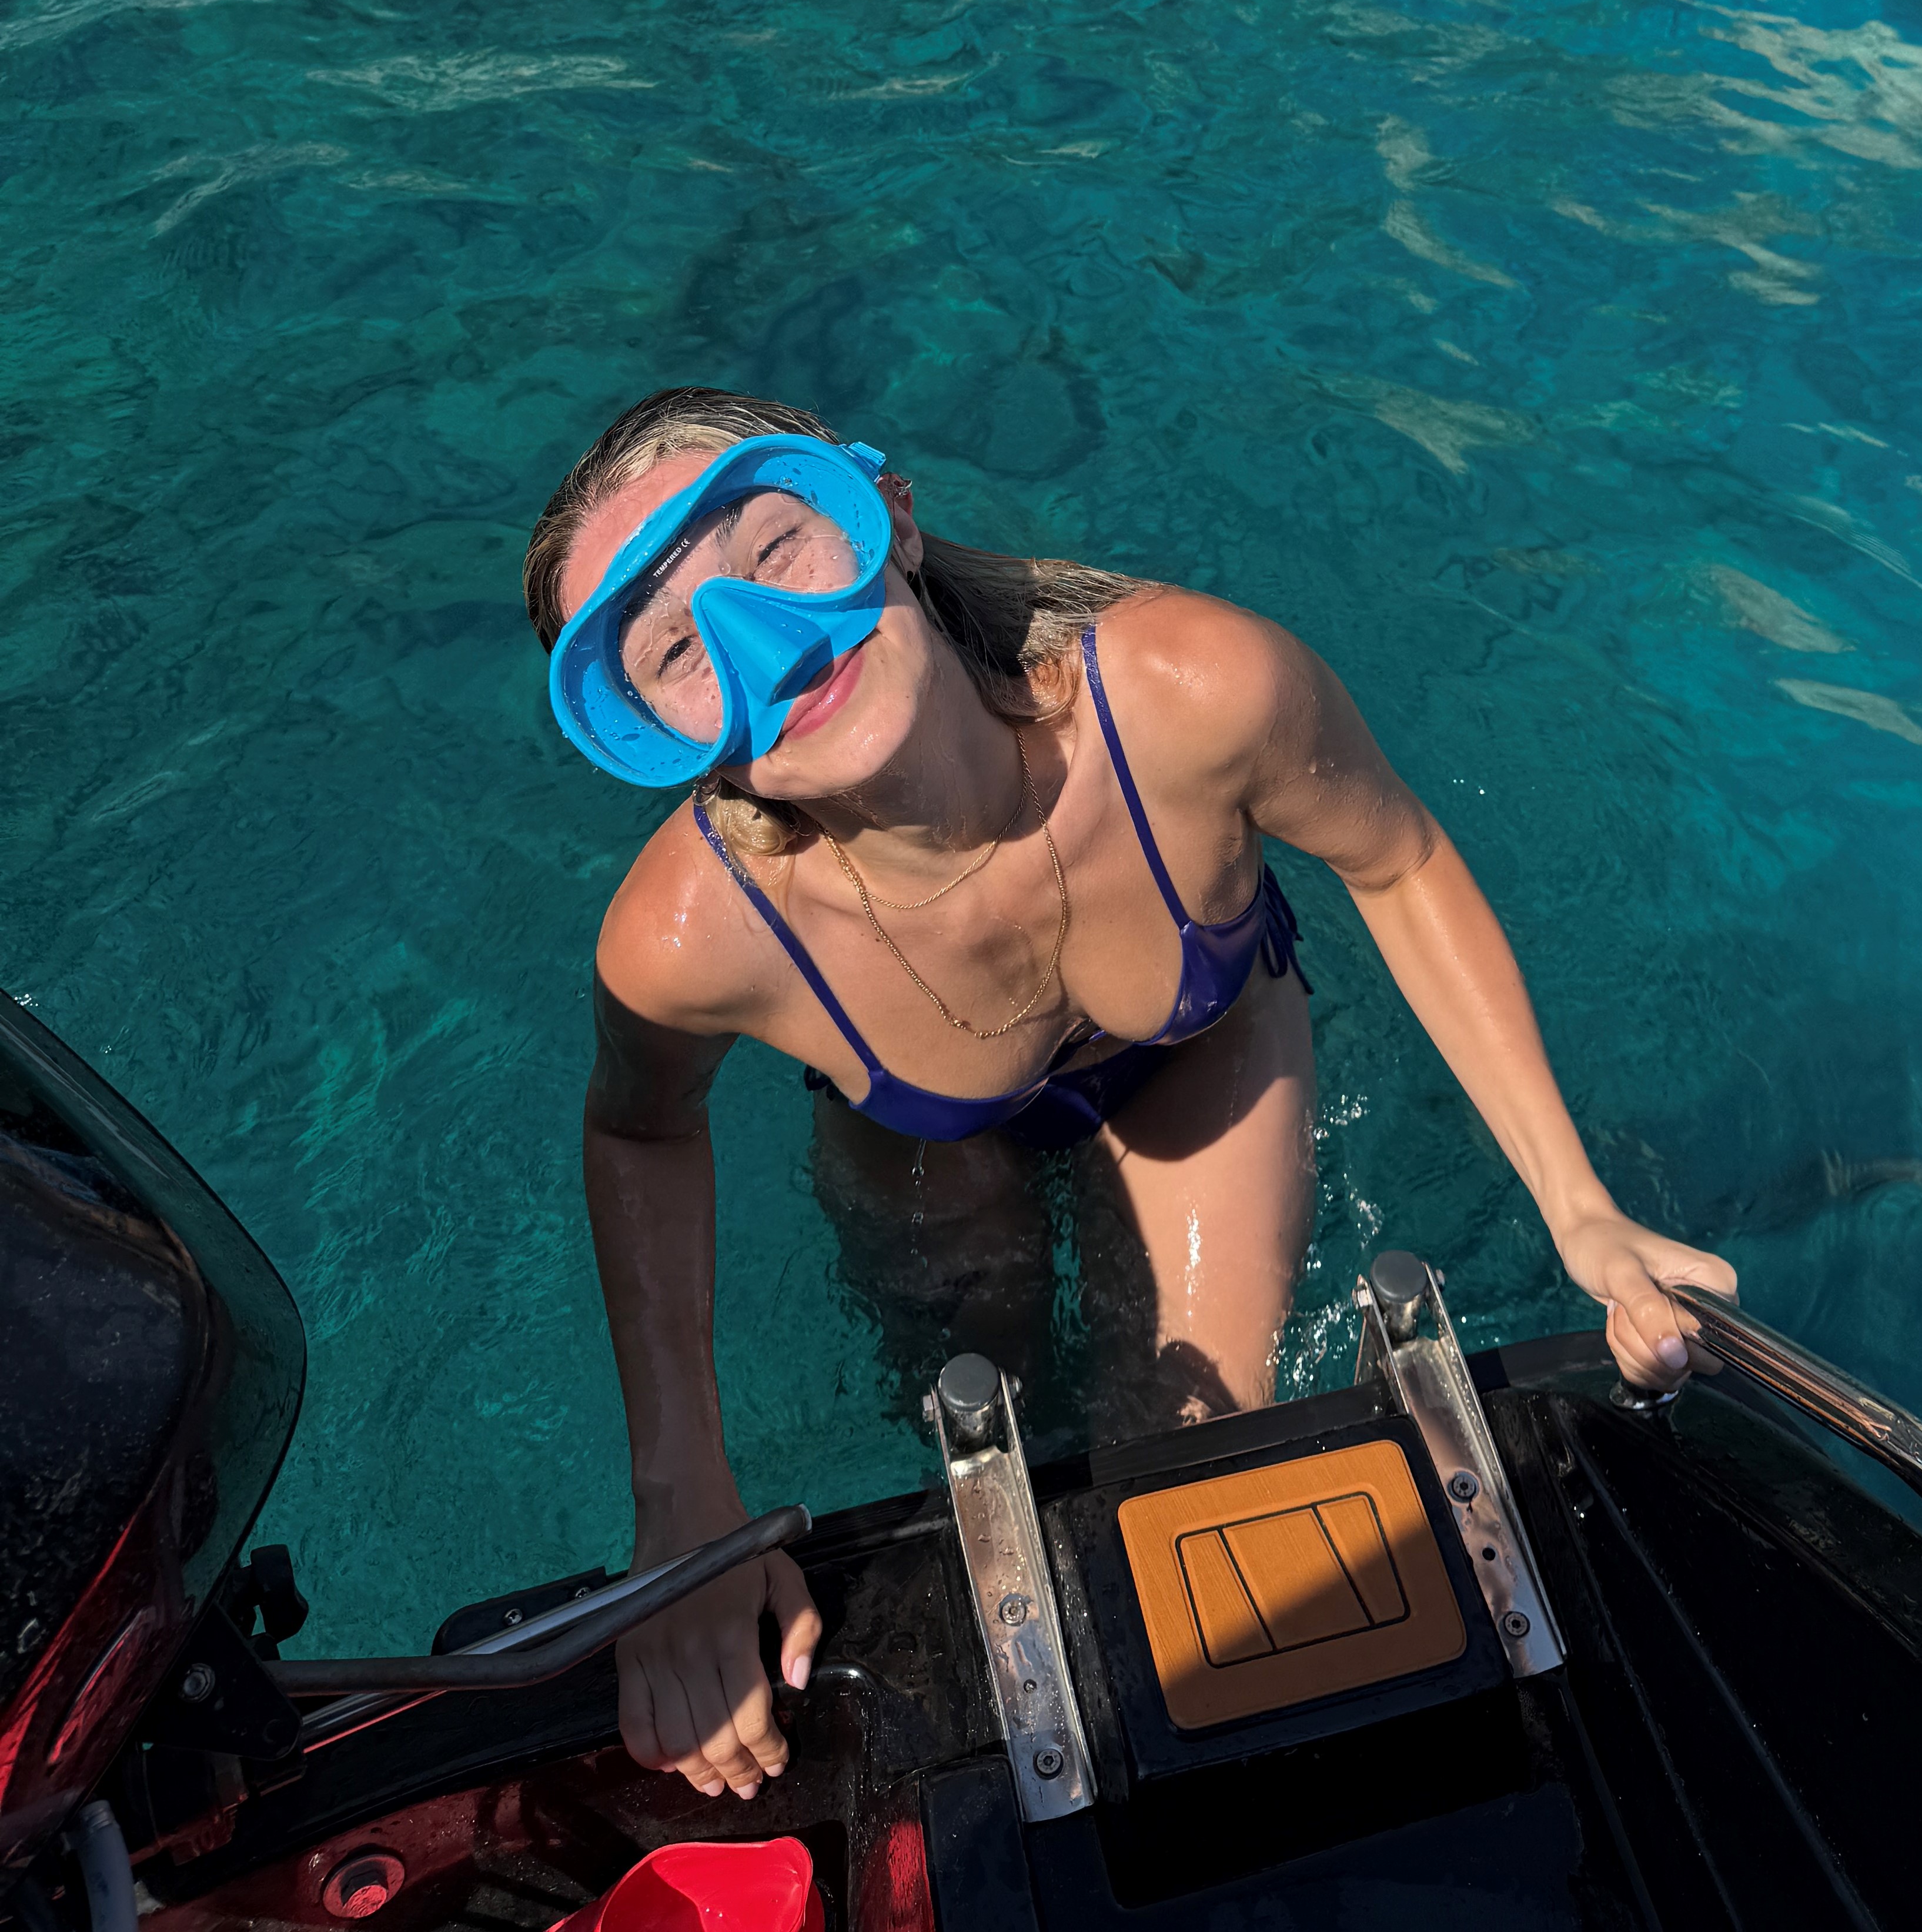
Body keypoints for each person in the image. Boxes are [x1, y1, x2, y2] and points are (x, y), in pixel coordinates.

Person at [523, 386, 1736, 1806]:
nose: (768, 646)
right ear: (645, 734)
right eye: (676, 649)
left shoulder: (1191, 695)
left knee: (1186, 1470)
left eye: (775, 547)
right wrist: (681, 1496)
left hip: (1195, 1051)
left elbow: (1397, 859)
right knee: (969, 1414)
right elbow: (641, 1124)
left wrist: (1580, 1209)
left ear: (890, 517)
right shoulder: (695, 935)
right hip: (916, 1122)